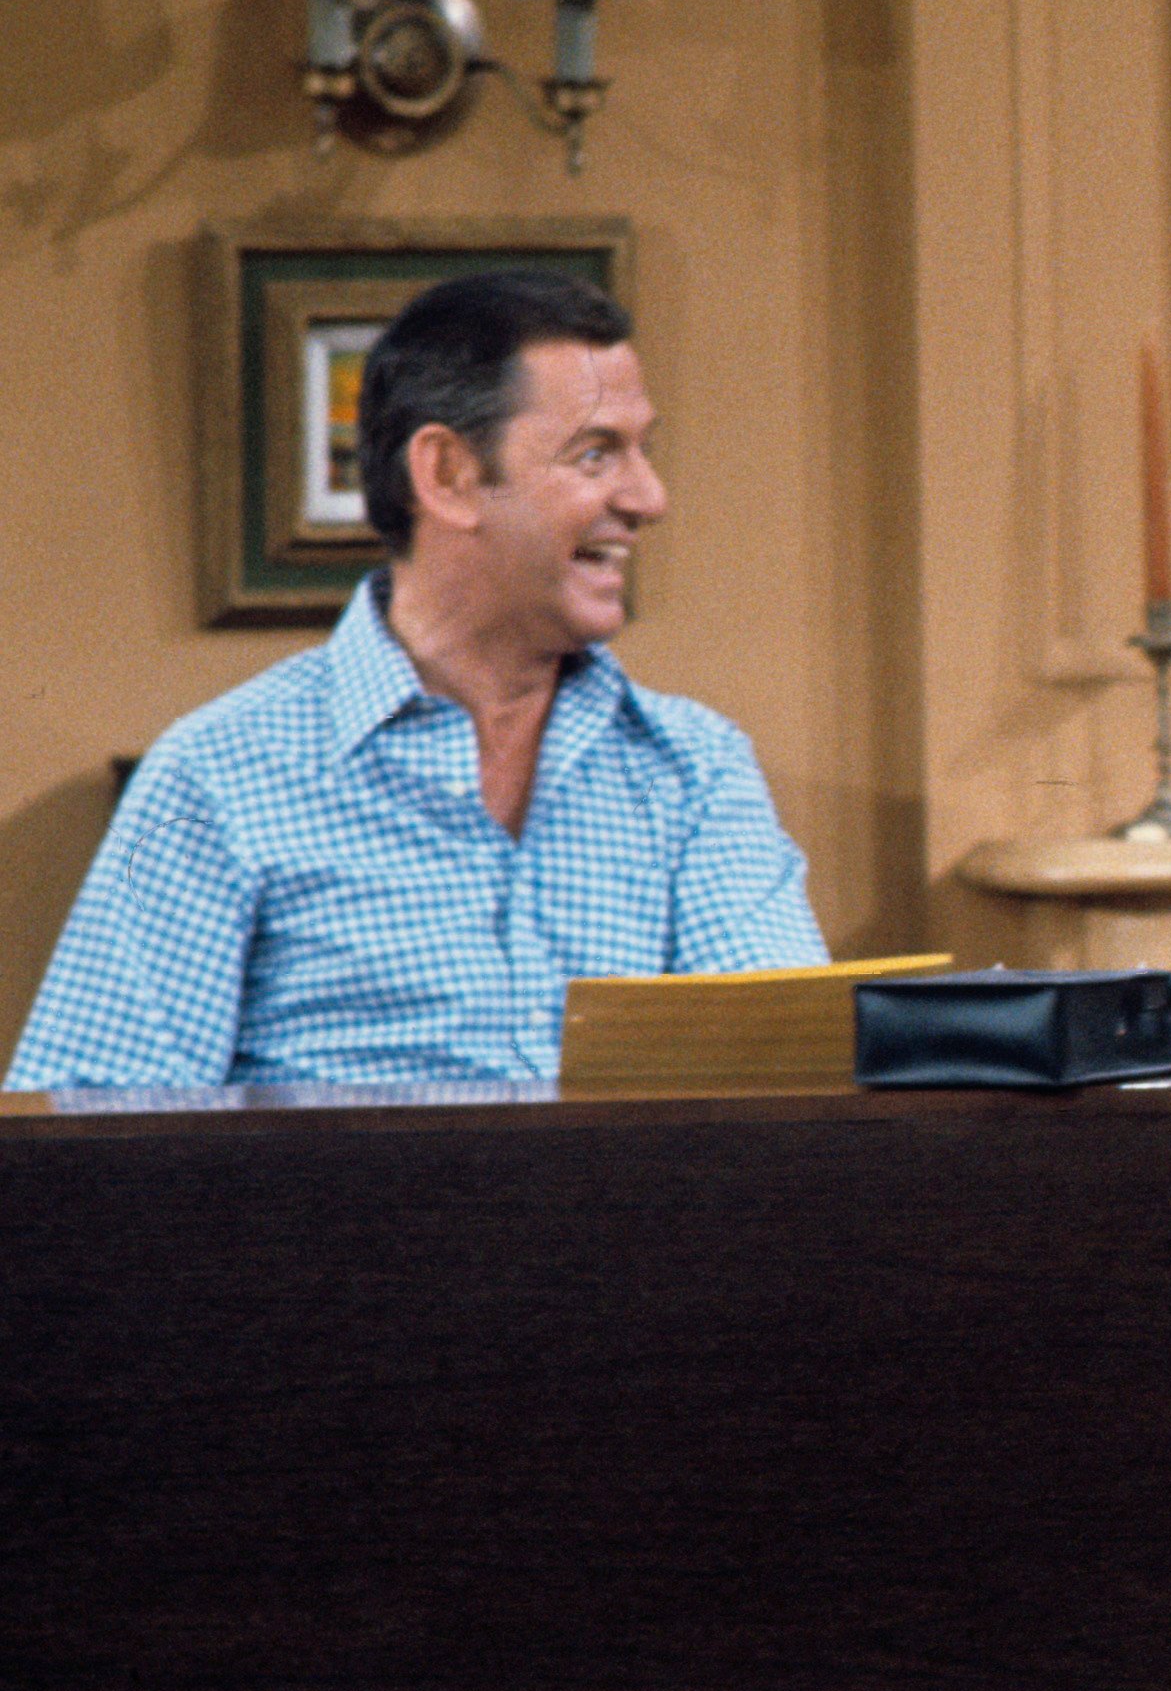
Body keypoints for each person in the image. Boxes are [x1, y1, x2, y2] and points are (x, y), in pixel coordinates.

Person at [8, 270, 819, 1089]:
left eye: (643, 451)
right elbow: (84, 1143)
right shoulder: (220, 777)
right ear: (447, 474)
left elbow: (791, 1096)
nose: (650, 496)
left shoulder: (698, 772)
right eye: (597, 453)